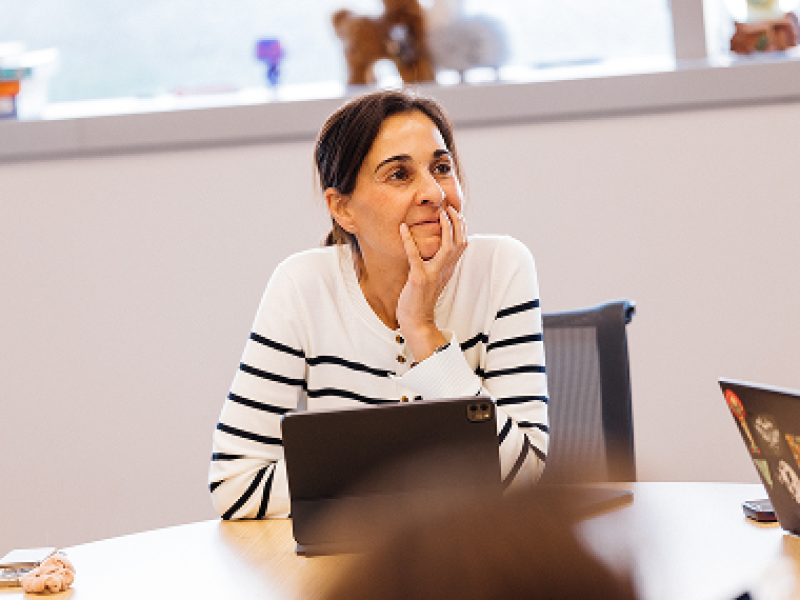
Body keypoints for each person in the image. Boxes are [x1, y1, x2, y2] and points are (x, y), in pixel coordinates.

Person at [208, 89, 548, 519]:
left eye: (441, 168)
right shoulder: (303, 286)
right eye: (399, 175)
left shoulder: (502, 267)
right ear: (343, 209)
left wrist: (422, 329)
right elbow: (235, 485)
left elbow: (523, 480)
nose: (433, 192)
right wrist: (418, 476)